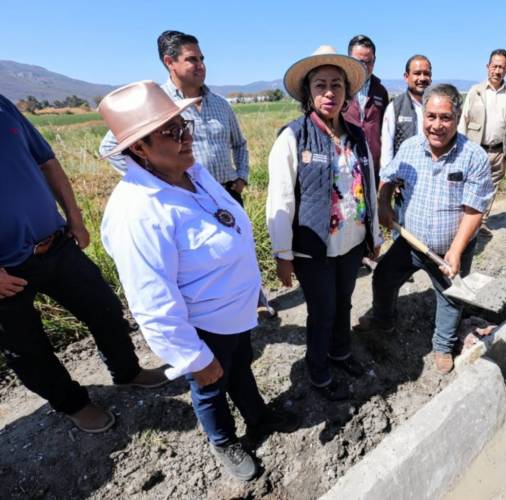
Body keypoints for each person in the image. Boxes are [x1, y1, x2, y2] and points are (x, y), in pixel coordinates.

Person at [98, 81, 296, 481]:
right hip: (203, 325)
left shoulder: (191, 171)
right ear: (139, 148)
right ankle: (223, 440)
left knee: (240, 367)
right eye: (171, 132)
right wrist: (193, 358)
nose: (186, 137)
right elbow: (152, 303)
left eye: (183, 125)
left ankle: (257, 415)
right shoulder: (138, 213)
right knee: (209, 384)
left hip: (234, 313)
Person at [0, 93, 168, 434]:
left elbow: (47, 162)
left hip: (56, 243)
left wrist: (75, 218)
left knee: (105, 309)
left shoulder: (4, 106)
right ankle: (73, 404)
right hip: (5, 271)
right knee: (28, 350)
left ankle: (127, 371)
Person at [266, 46, 382, 400]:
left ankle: (340, 353)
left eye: (336, 85)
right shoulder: (293, 137)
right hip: (313, 247)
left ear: (347, 92)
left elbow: (369, 188)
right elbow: (281, 200)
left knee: (344, 302)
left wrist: (374, 235)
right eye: (320, 85)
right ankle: (318, 372)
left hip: (351, 241)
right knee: (322, 311)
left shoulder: (356, 136)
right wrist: (282, 254)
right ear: (308, 92)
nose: (329, 92)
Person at [357, 84, 493, 374]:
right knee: (383, 278)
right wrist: (383, 203)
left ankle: (443, 345)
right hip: (410, 242)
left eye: (445, 118)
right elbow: (388, 177)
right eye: (431, 116)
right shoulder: (410, 148)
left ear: (457, 118)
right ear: (424, 117)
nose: (436, 125)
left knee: (450, 298)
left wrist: (456, 251)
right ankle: (384, 321)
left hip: (450, 248)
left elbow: (474, 211)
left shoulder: (473, 156)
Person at [98, 30, 250, 206]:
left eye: (201, 59)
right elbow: (109, 147)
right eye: (192, 59)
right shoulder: (155, 102)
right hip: (185, 198)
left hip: (227, 194)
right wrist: (154, 181)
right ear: (170, 62)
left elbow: (239, 144)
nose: (201, 65)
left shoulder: (221, 104)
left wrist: (241, 178)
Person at [458, 49, 506, 233]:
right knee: (470, 186)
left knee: (491, 188)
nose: (497, 71)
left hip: (499, 151)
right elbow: (463, 120)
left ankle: (480, 222)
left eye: (501, 67)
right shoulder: (476, 91)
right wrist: (460, 148)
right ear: (487, 67)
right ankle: (463, 223)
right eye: (494, 66)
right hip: (476, 149)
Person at [343, 35, 389, 177]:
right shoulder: (339, 87)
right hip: (346, 166)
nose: (364, 67)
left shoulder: (380, 91)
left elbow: (385, 131)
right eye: (359, 62)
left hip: (373, 166)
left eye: (369, 62)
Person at [380, 55, 432, 169]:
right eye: (417, 73)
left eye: (426, 73)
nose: (422, 78)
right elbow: (387, 149)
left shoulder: (438, 106)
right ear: (406, 77)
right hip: (404, 175)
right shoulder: (395, 107)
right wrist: (388, 174)